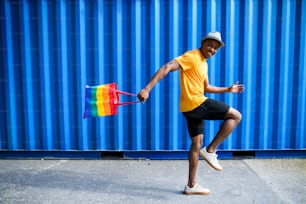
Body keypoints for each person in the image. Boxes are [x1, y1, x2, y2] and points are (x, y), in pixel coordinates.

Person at [137, 32, 244, 195]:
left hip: (189, 108)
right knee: (236, 116)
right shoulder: (192, 56)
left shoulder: (203, 63)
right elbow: (167, 67)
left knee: (196, 146)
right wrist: (147, 88)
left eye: (216, 48)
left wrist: (228, 89)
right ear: (203, 43)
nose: (213, 49)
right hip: (197, 104)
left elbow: (206, 87)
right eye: (210, 45)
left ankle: (191, 185)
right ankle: (211, 151)